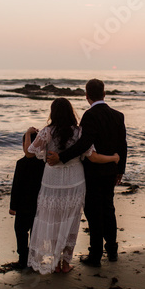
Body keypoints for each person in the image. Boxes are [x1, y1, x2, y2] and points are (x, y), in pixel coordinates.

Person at [24, 97, 119, 274]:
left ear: (53, 113)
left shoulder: (46, 132)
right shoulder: (79, 132)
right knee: (70, 220)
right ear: (71, 112)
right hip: (75, 180)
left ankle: (53, 261)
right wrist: (114, 158)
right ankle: (65, 263)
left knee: (52, 217)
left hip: (52, 180)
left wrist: (29, 134)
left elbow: (29, 154)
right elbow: (93, 157)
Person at [47, 79, 127, 267]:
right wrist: (120, 169)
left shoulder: (90, 116)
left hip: (93, 173)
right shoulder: (118, 115)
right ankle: (113, 251)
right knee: (108, 208)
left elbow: (84, 144)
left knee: (93, 212)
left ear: (87, 95)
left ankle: (95, 256)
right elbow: (122, 145)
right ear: (104, 94)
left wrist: (61, 157)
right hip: (110, 171)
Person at [9, 132, 45, 269]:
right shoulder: (43, 164)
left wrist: (13, 206)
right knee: (35, 233)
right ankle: (34, 259)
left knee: (20, 231)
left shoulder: (21, 163)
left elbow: (16, 186)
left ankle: (23, 259)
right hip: (38, 205)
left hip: (23, 205)